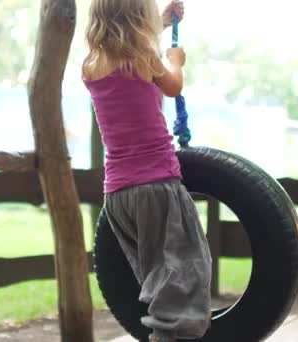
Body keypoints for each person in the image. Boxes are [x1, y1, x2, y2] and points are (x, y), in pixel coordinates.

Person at [82, 0, 212, 341]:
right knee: (184, 275)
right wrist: (175, 61)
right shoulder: (146, 57)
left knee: (157, 277)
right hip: (155, 186)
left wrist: (161, 22)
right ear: (140, 16)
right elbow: (172, 86)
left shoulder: (91, 65)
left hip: (118, 196)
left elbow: (123, 43)